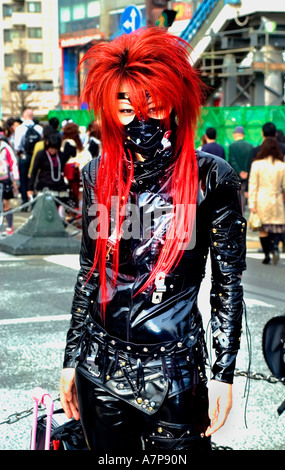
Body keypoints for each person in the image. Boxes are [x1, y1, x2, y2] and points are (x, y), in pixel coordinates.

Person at [59, 27, 246, 453]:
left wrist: (223, 373)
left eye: (154, 106)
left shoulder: (211, 178)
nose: (139, 122)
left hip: (175, 374)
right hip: (98, 367)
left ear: (174, 106)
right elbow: (90, 274)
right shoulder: (97, 175)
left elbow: (228, 285)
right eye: (125, 110)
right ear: (109, 112)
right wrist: (71, 360)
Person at [248, 137, 285, 265]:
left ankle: (266, 254)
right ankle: (275, 245)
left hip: (261, 200)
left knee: (263, 229)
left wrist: (252, 203)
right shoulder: (282, 165)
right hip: (276, 199)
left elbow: (253, 185)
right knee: (276, 227)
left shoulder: (257, 164)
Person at [27, 133, 70, 219]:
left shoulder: (61, 155)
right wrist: (30, 188)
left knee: (62, 204)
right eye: (50, 148)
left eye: (54, 148)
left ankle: (61, 221)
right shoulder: (41, 155)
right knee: (46, 209)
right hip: (45, 184)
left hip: (59, 185)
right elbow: (34, 172)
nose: (52, 150)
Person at [13, 109, 42, 206]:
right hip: (37, 156)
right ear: (32, 117)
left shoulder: (20, 128)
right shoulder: (39, 128)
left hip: (24, 156)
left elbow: (17, 146)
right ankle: (34, 200)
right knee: (34, 178)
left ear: (24, 116)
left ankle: (25, 201)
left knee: (23, 179)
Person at [61, 122, 92, 208]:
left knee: (71, 193)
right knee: (76, 193)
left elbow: (64, 158)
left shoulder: (66, 143)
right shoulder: (76, 144)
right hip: (76, 171)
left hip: (68, 172)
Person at [228, 126, 253, 213]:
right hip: (247, 175)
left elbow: (232, 161)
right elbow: (251, 161)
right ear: (243, 135)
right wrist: (246, 171)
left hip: (236, 175)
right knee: (244, 195)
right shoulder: (250, 146)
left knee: (237, 196)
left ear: (235, 135)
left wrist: (239, 172)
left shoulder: (232, 146)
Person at [0, 137, 19, 235]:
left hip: (4, 178)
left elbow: (13, 162)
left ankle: (9, 227)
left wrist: (16, 179)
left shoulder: (5, 147)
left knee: (6, 203)